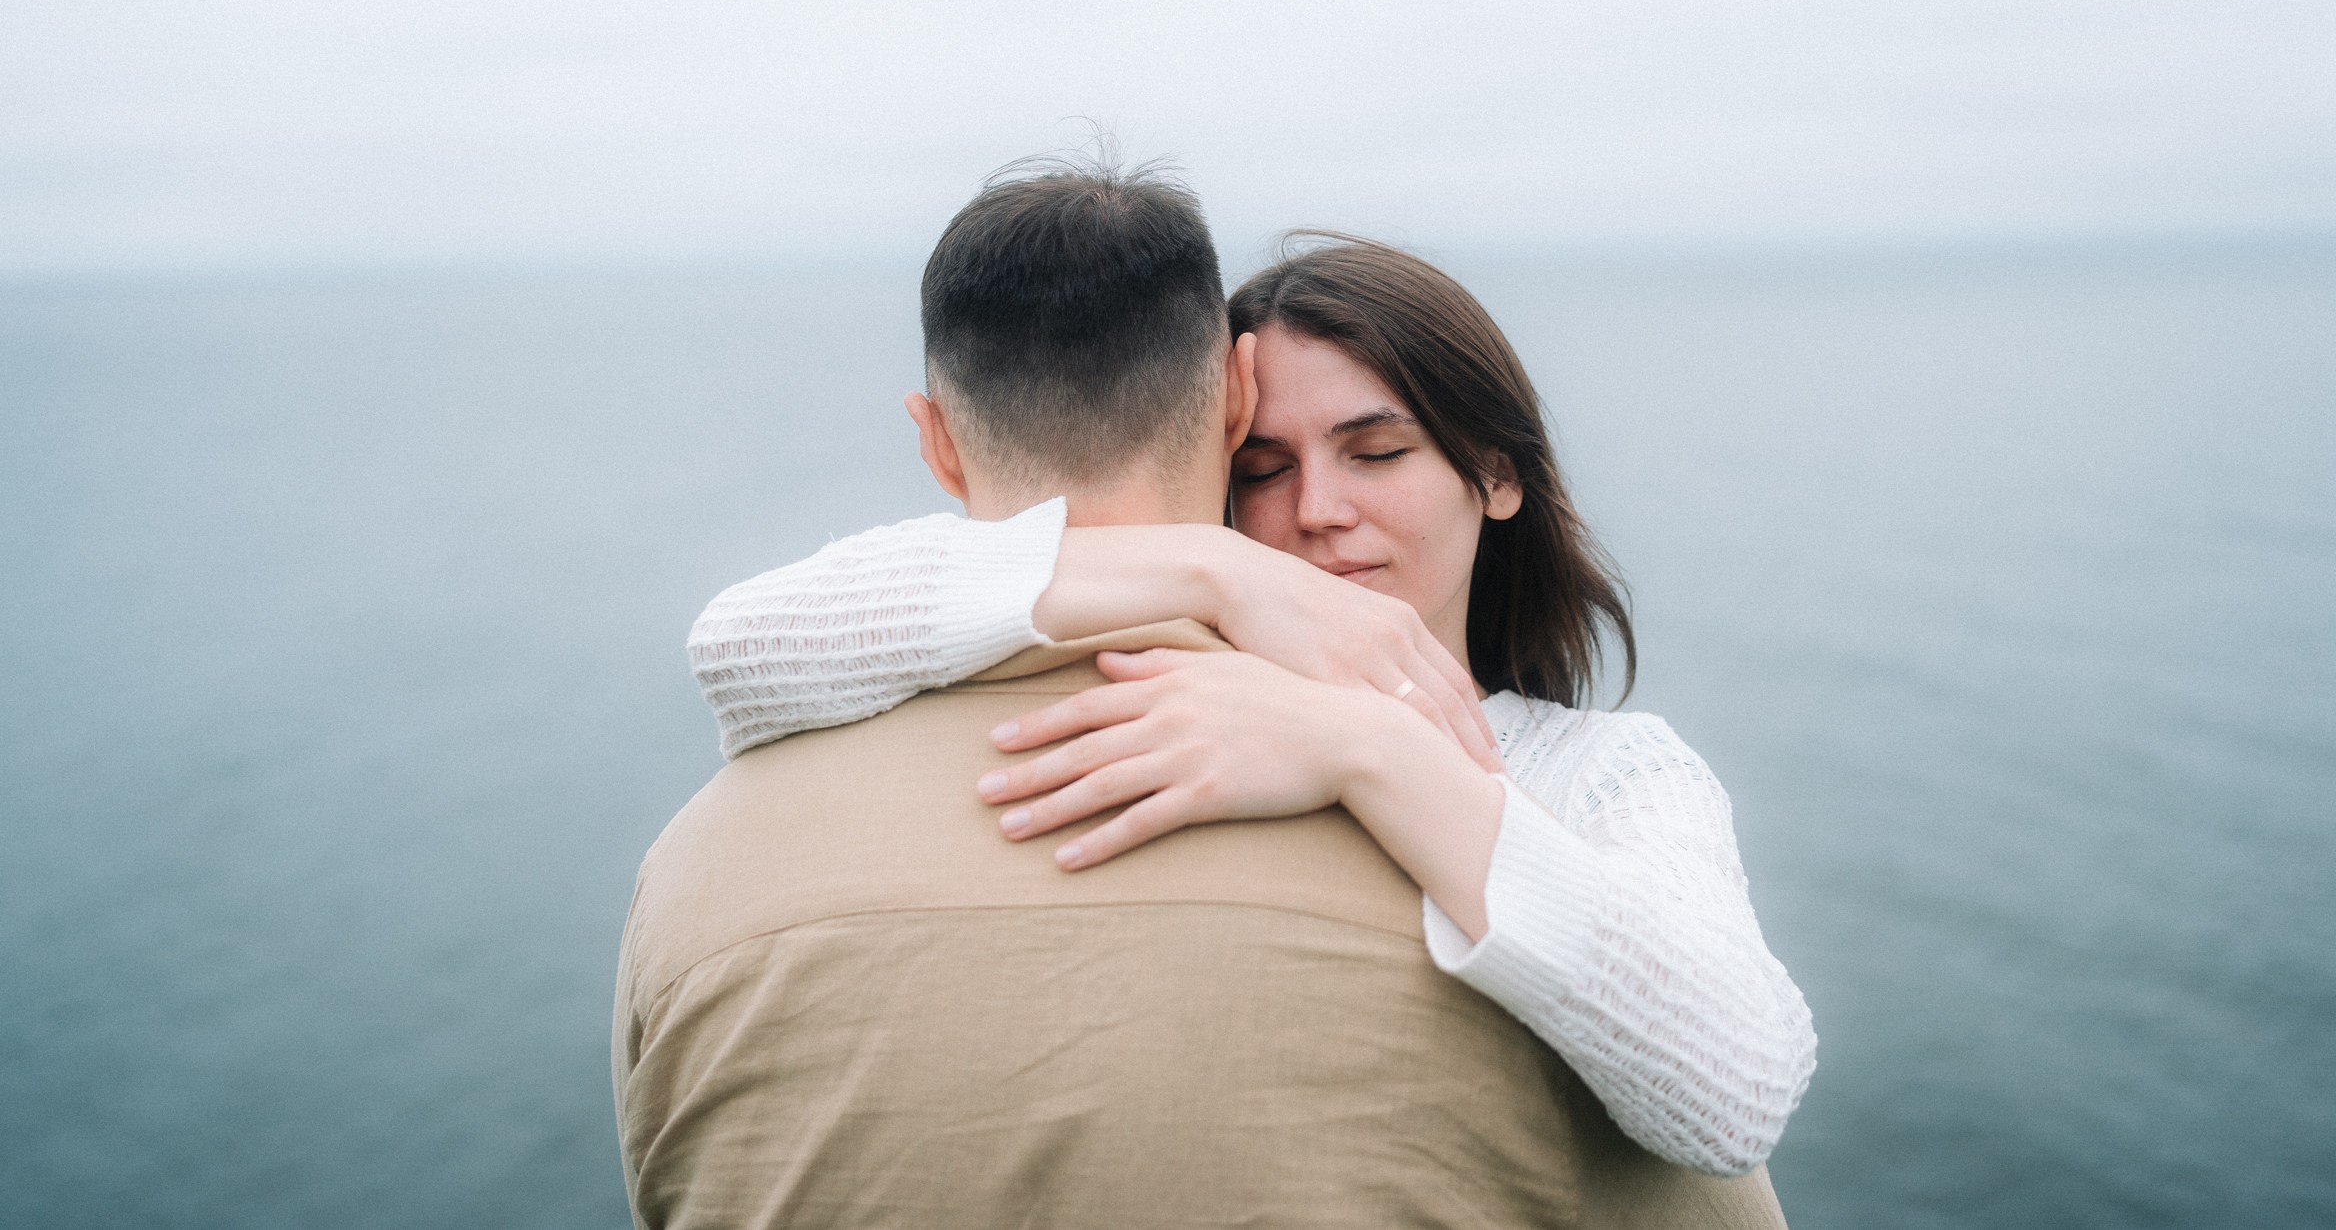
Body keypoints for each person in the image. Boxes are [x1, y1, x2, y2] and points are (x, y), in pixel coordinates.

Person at [618, 159, 1796, 1228]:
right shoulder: (1190, 656)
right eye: (1263, 470)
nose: (1318, 511)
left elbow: (1734, 1089)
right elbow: (745, 641)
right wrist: (1209, 564)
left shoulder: (1608, 772)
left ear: (1496, 475)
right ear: (1224, 419)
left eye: (1376, 454)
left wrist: (1367, 751)